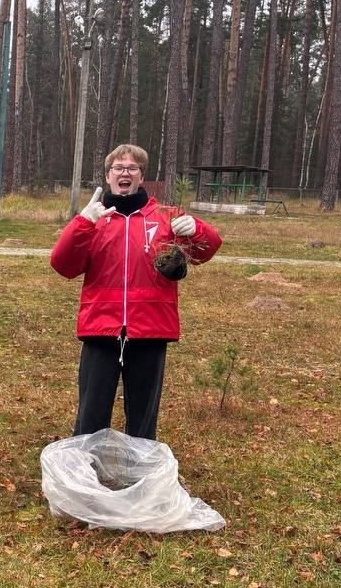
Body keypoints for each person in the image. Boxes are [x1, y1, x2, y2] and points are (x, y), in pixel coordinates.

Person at [49, 145, 222, 440]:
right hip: (100, 329)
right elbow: (63, 265)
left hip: (150, 329)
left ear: (142, 176)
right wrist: (82, 223)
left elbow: (206, 250)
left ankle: (139, 475)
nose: (124, 173)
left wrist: (197, 229)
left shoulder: (166, 217)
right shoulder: (96, 220)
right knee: (91, 413)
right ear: (108, 175)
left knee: (143, 416)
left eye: (132, 168)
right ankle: (86, 473)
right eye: (118, 168)